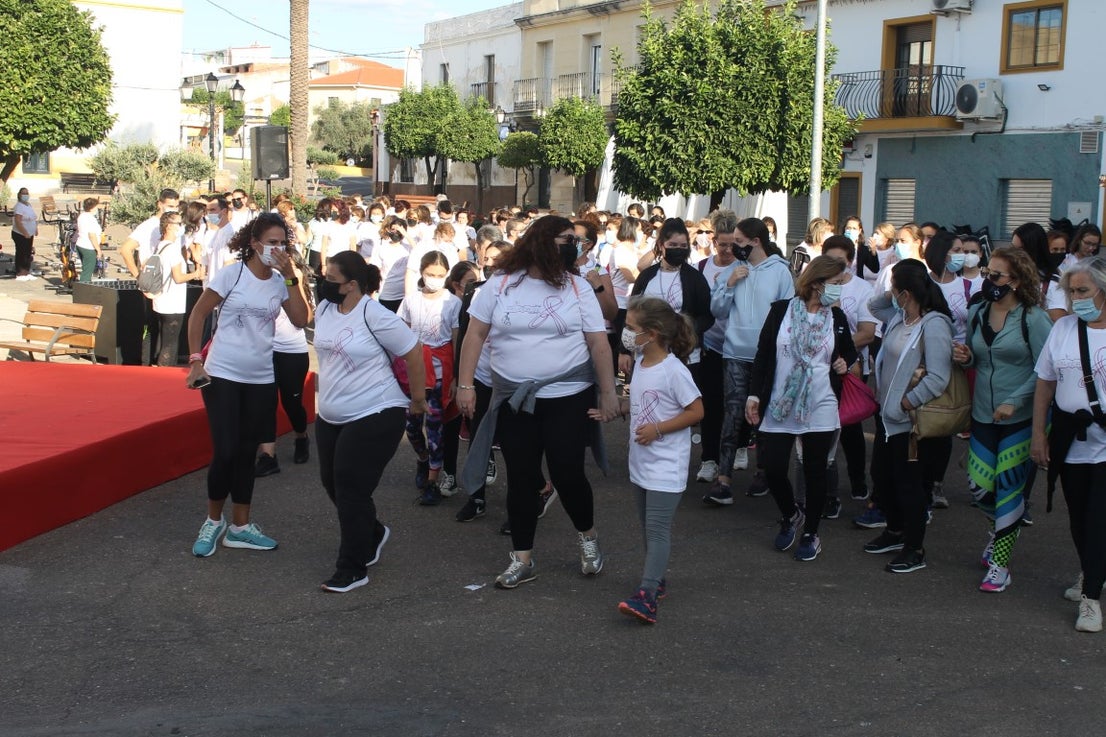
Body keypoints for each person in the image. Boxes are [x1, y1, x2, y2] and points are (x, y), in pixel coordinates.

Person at [457, 215, 619, 589]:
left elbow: (598, 343)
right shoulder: (500, 285)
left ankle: (588, 537)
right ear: (543, 242)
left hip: (567, 398)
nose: (573, 247)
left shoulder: (578, 288)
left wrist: (609, 392)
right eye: (566, 239)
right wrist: (465, 385)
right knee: (522, 477)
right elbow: (474, 335)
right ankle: (522, 558)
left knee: (567, 472)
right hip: (515, 400)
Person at [184, 213, 312, 558]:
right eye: (271, 242)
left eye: (282, 242)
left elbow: (301, 320)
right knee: (225, 451)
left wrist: (291, 279)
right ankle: (213, 521)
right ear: (254, 244)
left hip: (260, 378)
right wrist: (195, 359)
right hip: (222, 374)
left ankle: (240, 526)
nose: (277, 248)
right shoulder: (231, 274)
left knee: (245, 453)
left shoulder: (279, 281)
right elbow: (198, 315)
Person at [311, 252, 427, 592]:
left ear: (351, 285)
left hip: (376, 411)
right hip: (331, 414)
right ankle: (373, 532)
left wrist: (418, 401)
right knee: (331, 482)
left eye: (330, 279)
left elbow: (413, 352)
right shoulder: (325, 309)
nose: (324, 283)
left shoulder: (375, 314)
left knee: (350, 489)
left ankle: (352, 568)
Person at [952, 247, 1051, 592]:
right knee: (979, 486)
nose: (988, 280)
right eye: (986, 273)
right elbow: (973, 360)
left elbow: (1045, 370)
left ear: (1017, 280)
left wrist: (1014, 400)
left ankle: (1000, 565)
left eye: (996, 275)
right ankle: (1000, 531)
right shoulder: (978, 311)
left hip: (1020, 418)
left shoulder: (1034, 318)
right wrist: (964, 357)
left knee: (1009, 488)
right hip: (982, 414)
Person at [600, 296, 703, 623]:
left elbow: (697, 411)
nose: (626, 334)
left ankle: (647, 594)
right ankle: (655, 581)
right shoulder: (642, 363)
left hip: (665, 465)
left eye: (631, 328)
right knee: (647, 527)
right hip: (642, 462)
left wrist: (658, 429)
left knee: (657, 529)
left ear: (654, 332)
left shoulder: (674, 370)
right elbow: (647, 402)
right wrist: (617, 407)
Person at [747, 256, 858, 561]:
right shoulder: (781, 311)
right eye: (835, 284)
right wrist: (753, 395)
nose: (838, 291)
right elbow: (763, 354)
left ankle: (811, 532)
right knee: (773, 467)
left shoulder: (837, 319)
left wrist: (844, 362)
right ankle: (790, 513)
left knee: (814, 469)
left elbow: (849, 351)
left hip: (820, 402)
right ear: (817, 283)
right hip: (781, 402)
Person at [863, 259, 953, 573]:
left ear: (907, 292)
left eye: (894, 288)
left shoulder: (935, 324)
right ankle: (894, 531)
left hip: (910, 421)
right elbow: (874, 307)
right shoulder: (901, 317)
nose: (890, 292)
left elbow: (938, 376)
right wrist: (892, 294)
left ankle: (914, 547)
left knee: (910, 485)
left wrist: (907, 401)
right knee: (884, 477)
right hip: (888, 417)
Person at [1032, 257, 1106, 631]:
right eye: (1072, 292)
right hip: (1069, 437)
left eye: (1084, 291)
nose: (1077, 299)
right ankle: (1090, 571)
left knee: (1098, 518)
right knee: (1078, 516)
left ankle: (1092, 598)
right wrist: (1038, 434)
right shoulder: (1063, 329)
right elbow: (1045, 382)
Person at [706, 217, 795, 505]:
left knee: (764, 416)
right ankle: (723, 480)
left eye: (739, 243)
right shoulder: (732, 269)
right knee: (732, 414)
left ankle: (763, 472)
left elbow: (786, 314)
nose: (734, 248)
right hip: (734, 351)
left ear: (756, 241)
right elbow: (717, 311)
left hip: (767, 356)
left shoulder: (780, 271)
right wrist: (729, 284)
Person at [399, 250, 462, 506]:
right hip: (414, 370)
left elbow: (457, 341)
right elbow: (400, 333)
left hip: (440, 371)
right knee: (412, 425)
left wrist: (457, 377)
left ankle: (433, 480)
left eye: (439, 275)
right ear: (421, 273)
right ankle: (423, 459)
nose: (434, 279)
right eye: (429, 274)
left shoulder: (453, 303)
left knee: (435, 427)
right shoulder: (410, 300)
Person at [821, 236, 878, 505]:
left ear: (851, 262)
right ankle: (824, 488)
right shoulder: (816, 286)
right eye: (829, 261)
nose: (835, 266)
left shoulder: (863, 289)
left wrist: (837, 343)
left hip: (853, 367)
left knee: (851, 428)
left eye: (840, 262)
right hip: (821, 367)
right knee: (821, 427)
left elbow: (867, 333)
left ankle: (857, 480)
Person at [621, 218, 713, 380]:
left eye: (683, 246)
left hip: (685, 356)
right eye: (673, 245)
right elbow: (631, 315)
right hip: (647, 354)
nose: (678, 250)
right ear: (661, 245)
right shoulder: (647, 276)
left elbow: (707, 316)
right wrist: (623, 350)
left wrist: (684, 328)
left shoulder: (695, 279)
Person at [254, 248, 312, 477]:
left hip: (292, 352)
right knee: (265, 402)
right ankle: (268, 456)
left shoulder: (297, 284)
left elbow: (304, 320)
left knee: (291, 403)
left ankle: (301, 436)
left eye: (287, 264)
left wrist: (292, 281)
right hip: (266, 351)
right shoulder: (266, 282)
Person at [693, 209, 739, 484]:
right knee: (710, 404)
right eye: (722, 244)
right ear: (713, 242)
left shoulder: (744, 267)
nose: (727, 250)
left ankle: (737, 450)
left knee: (735, 405)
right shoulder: (702, 268)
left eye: (733, 245)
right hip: (710, 345)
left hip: (737, 347)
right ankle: (708, 458)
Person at [438, 260, 482, 497]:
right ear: (456, 284)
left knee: (478, 427)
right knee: (450, 425)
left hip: (478, 373)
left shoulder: (480, 301)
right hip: (453, 373)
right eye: (470, 283)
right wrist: (456, 376)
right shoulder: (449, 304)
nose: (475, 286)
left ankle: (479, 483)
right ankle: (449, 473)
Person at [151, 211, 204, 366]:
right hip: (172, 302)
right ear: (169, 227)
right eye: (178, 224)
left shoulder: (160, 245)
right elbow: (178, 277)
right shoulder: (172, 249)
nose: (181, 227)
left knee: (165, 339)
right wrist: (196, 273)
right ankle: (165, 372)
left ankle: (164, 370)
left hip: (161, 299)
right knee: (170, 343)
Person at [370, 215, 412, 312]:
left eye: (398, 230)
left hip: (403, 295)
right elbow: (375, 270)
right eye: (393, 229)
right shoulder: (381, 248)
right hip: (385, 294)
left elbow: (420, 252)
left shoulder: (408, 248)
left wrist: (405, 234)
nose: (395, 232)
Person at [11, 187, 37, 280]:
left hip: (29, 234)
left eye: (27, 193)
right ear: (19, 195)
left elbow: (33, 218)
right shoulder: (19, 206)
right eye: (23, 193)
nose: (25, 195)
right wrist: (25, 232)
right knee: (21, 252)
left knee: (28, 252)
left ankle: (26, 271)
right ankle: (20, 272)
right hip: (20, 234)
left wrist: (35, 229)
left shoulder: (28, 205)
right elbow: (18, 221)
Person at [75, 198, 102, 283]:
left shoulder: (82, 216)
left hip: (80, 244)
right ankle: (83, 291)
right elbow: (92, 235)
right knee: (87, 272)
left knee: (86, 268)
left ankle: (86, 288)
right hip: (88, 247)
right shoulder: (91, 219)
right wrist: (98, 249)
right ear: (92, 208)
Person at [305, 198, 332, 274]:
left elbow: (308, 239)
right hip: (329, 252)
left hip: (315, 251)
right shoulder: (332, 222)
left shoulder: (313, 221)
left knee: (317, 277)